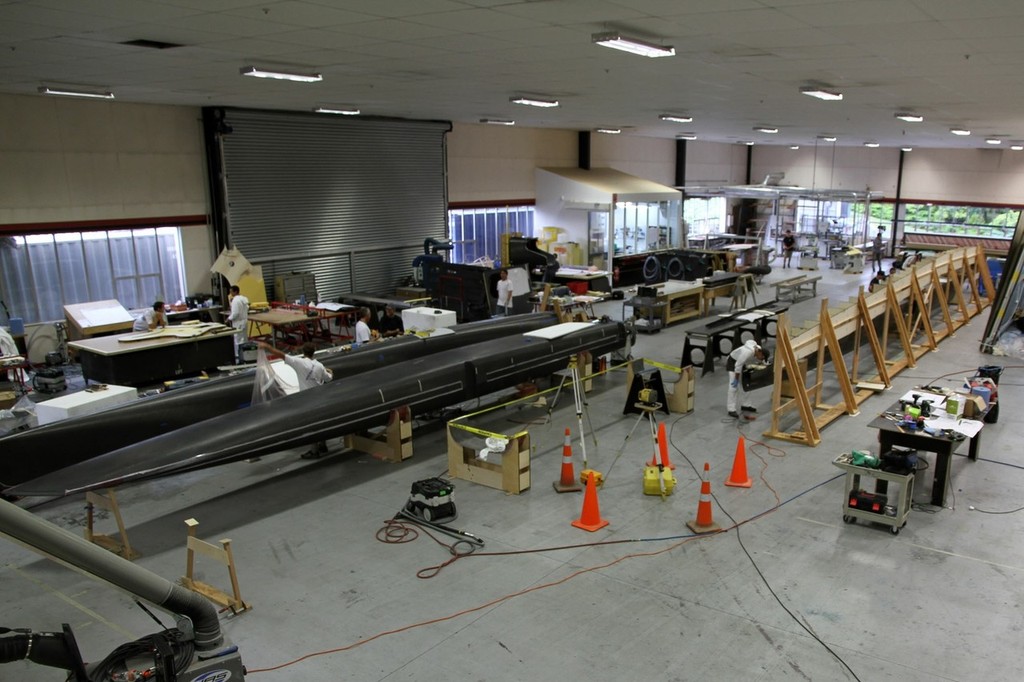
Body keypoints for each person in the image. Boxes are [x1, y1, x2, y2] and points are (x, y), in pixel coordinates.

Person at [257, 340, 333, 458]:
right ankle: (323, 445)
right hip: (319, 398)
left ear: (303, 352)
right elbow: (328, 379)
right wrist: (330, 372)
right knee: (319, 422)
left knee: (310, 425)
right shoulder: (319, 365)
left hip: (306, 400)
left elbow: (281, 355)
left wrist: (267, 347)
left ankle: (314, 451)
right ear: (314, 352)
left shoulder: (299, 362)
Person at [726, 339, 766, 418]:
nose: (761, 359)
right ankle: (731, 409)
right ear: (760, 352)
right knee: (733, 387)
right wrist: (736, 379)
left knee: (746, 384)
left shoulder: (757, 349)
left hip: (741, 362)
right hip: (733, 362)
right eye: (762, 357)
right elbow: (738, 366)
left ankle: (746, 404)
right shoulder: (747, 352)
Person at [226, 285, 250, 356]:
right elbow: (247, 307)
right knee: (244, 338)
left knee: (238, 340)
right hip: (244, 321)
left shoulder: (235, 300)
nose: (230, 294)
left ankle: (239, 356)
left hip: (238, 323)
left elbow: (235, 313)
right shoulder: (244, 298)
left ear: (235, 291)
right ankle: (246, 354)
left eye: (231, 292)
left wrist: (228, 319)